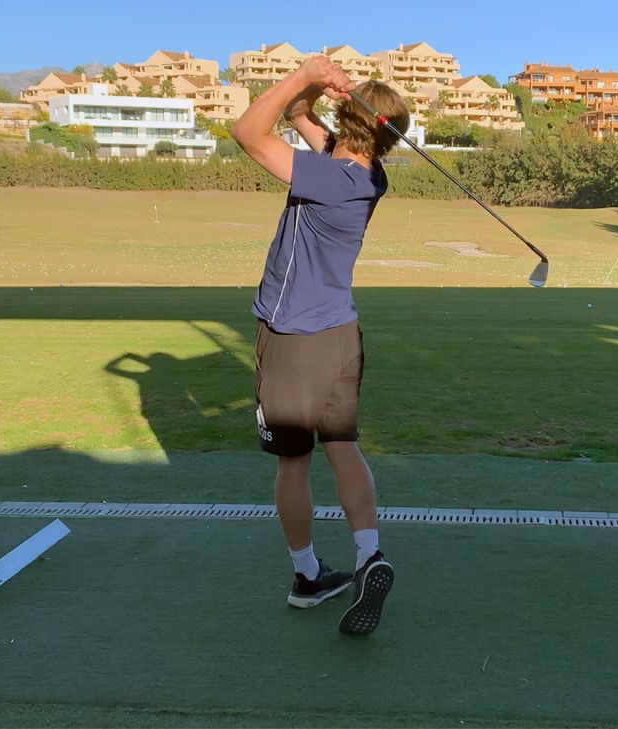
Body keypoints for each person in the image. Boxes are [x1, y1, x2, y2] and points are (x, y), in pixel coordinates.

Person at [231, 57, 410, 636]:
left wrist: (300, 76)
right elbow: (300, 118)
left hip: (295, 338)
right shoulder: (365, 173)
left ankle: (308, 576)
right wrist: (316, 92)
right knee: (343, 445)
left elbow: (247, 132)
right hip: (340, 336)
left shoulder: (329, 178)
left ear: (353, 124)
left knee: (293, 460)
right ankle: (368, 556)